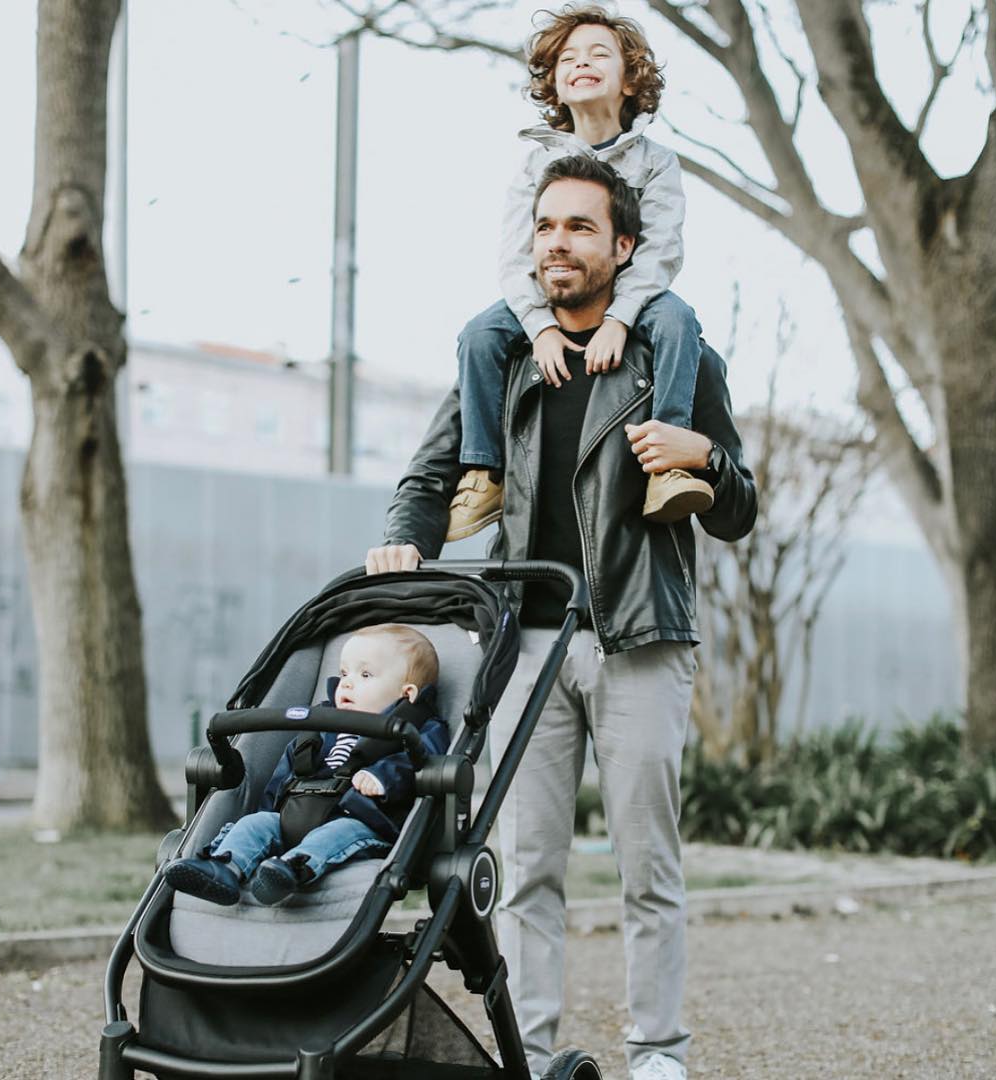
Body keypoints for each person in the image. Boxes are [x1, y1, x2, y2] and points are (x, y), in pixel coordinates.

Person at [366, 156, 757, 1080]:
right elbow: (431, 479)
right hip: (523, 647)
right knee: (528, 866)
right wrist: (402, 541)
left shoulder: (680, 356)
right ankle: (530, 1055)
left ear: (625, 248)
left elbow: (738, 506)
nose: (558, 244)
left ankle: (658, 1054)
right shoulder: (502, 358)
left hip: (640, 639)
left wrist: (698, 454)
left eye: (581, 228)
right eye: (546, 227)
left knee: (646, 869)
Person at [448, 3, 714, 543]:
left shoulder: (656, 162)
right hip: (553, 298)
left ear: (629, 77)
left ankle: (668, 465)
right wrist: (540, 325)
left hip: (634, 293)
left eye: (598, 54)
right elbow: (516, 254)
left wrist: (619, 319)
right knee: (478, 334)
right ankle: (483, 471)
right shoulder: (535, 162)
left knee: (679, 322)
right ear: (555, 83)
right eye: (567, 57)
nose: (581, 63)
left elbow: (660, 249)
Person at [164, 625, 448, 907]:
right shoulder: (320, 726)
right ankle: (225, 868)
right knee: (255, 823)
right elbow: (283, 776)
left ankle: (292, 869)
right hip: (294, 815)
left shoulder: (421, 728)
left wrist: (383, 777)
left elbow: (424, 761)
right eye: (344, 673)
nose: (347, 683)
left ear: (407, 692)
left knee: (337, 834)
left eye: (365, 675)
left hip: (363, 823)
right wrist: (271, 812)